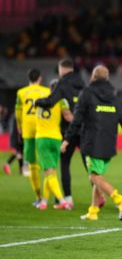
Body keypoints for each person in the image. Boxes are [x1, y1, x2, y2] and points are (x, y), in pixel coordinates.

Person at [61, 65, 122, 221]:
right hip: (109, 141)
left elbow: (77, 119)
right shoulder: (116, 94)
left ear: (93, 77)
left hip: (91, 141)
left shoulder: (87, 93)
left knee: (94, 177)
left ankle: (120, 201)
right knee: (98, 175)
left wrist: (67, 139)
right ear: (107, 78)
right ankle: (93, 211)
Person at [35, 58, 86, 207]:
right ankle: (99, 196)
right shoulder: (80, 86)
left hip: (55, 135)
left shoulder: (48, 101)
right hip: (73, 133)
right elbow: (71, 114)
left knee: (56, 167)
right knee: (89, 165)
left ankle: (64, 199)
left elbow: (49, 105)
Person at [35, 80, 74, 210]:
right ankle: (44, 202)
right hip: (56, 138)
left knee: (49, 172)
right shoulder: (62, 101)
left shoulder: (39, 101)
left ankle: (62, 201)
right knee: (51, 172)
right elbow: (68, 117)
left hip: (42, 139)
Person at [15, 69, 50, 206]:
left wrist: (19, 126)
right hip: (43, 129)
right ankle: (55, 196)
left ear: (28, 78)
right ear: (40, 78)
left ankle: (39, 197)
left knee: (33, 165)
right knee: (49, 164)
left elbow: (18, 111)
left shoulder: (21, 93)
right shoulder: (47, 91)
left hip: (28, 131)